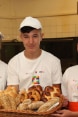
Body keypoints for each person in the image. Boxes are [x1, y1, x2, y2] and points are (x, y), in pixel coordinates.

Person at [7, 16, 62, 92]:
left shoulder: (53, 61)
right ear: (21, 38)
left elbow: (56, 93)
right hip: (23, 103)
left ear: (41, 37)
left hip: (47, 103)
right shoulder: (14, 63)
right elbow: (13, 92)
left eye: (35, 36)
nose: (31, 41)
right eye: (26, 37)